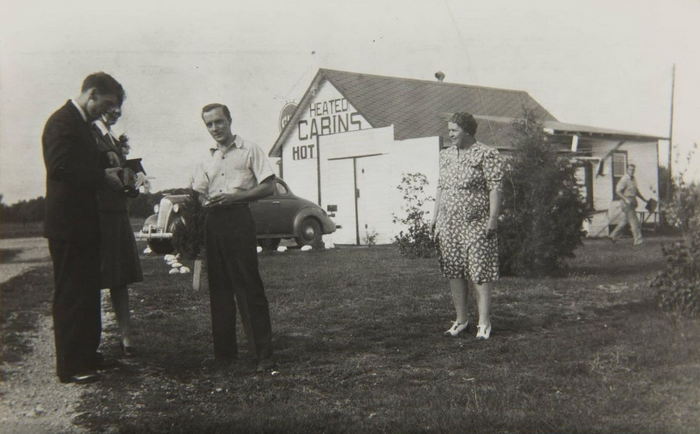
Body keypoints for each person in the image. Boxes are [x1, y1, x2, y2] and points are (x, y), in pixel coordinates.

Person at [42, 72, 125, 383]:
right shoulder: (61, 122)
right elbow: (59, 166)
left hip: (84, 223)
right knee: (70, 294)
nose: (104, 111)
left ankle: (88, 356)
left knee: (88, 292)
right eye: (104, 104)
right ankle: (70, 367)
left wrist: (109, 167)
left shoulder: (83, 126)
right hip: (67, 225)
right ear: (90, 93)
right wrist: (101, 175)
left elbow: (82, 165)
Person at [191, 103, 276, 372]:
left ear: (230, 120)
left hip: (239, 219)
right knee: (220, 289)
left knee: (249, 287)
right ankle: (225, 355)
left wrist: (235, 196)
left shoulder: (249, 149)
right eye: (209, 124)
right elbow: (199, 192)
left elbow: (269, 186)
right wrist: (205, 200)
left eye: (219, 122)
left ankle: (263, 354)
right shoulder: (207, 158)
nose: (215, 128)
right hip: (214, 223)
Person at [432, 112, 504, 340]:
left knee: (479, 271)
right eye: (450, 130)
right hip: (449, 223)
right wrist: (434, 218)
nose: (450, 134)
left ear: (467, 131)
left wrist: (492, 219)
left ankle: (484, 323)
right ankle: (461, 320)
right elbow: (441, 187)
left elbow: (495, 187)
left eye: (454, 130)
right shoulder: (445, 155)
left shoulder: (487, 154)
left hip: (477, 223)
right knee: (454, 270)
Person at [93, 104, 143, 357]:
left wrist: (133, 181)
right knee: (97, 277)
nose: (114, 113)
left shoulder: (113, 138)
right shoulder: (91, 134)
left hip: (117, 212)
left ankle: (126, 335)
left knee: (120, 277)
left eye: (118, 109)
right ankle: (95, 339)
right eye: (109, 108)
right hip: (99, 214)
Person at [609, 163, 647, 246]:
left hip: (632, 201)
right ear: (627, 170)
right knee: (634, 221)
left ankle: (613, 236)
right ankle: (638, 240)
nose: (632, 171)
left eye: (633, 170)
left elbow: (636, 191)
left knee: (625, 221)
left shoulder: (634, 179)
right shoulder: (624, 179)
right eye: (630, 169)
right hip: (626, 202)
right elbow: (617, 191)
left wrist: (644, 200)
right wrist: (626, 199)